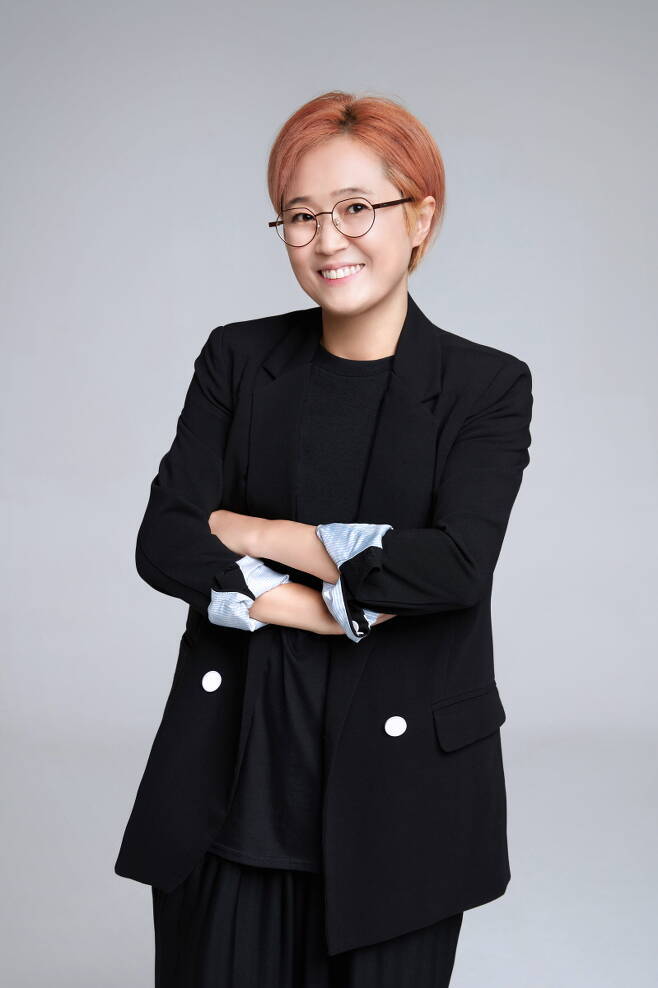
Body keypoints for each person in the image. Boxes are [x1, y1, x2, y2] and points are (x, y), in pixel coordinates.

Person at [115, 90, 534, 987]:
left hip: (404, 809)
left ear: (420, 217)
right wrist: (317, 607)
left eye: (356, 208)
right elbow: (166, 538)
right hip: (233, 791)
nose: (327, 239)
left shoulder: (487, 386)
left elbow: (454, 566)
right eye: (301, 216)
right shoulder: (238, 359)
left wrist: (263, 531)